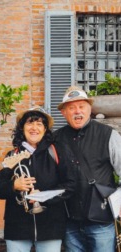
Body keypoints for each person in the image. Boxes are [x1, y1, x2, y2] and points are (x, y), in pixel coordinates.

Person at [0, 106, 76, 252]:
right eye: (30, 123)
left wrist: (44, 196)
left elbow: (70, 185)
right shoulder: (12, 155)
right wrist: (14, 185)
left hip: (50, 226)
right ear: (22, 128)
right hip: (17, 227)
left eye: (39, 124)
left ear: (45, 129)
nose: (34, 128)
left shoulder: (57, 151)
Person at [54, 86, 121, 252]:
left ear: (89, 109)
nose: (77, 111)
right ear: (64, 112)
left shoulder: (109, 135)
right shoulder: (55, 139)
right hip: (70, 221)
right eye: (71, 107)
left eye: (81, 106)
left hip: (102, 222)